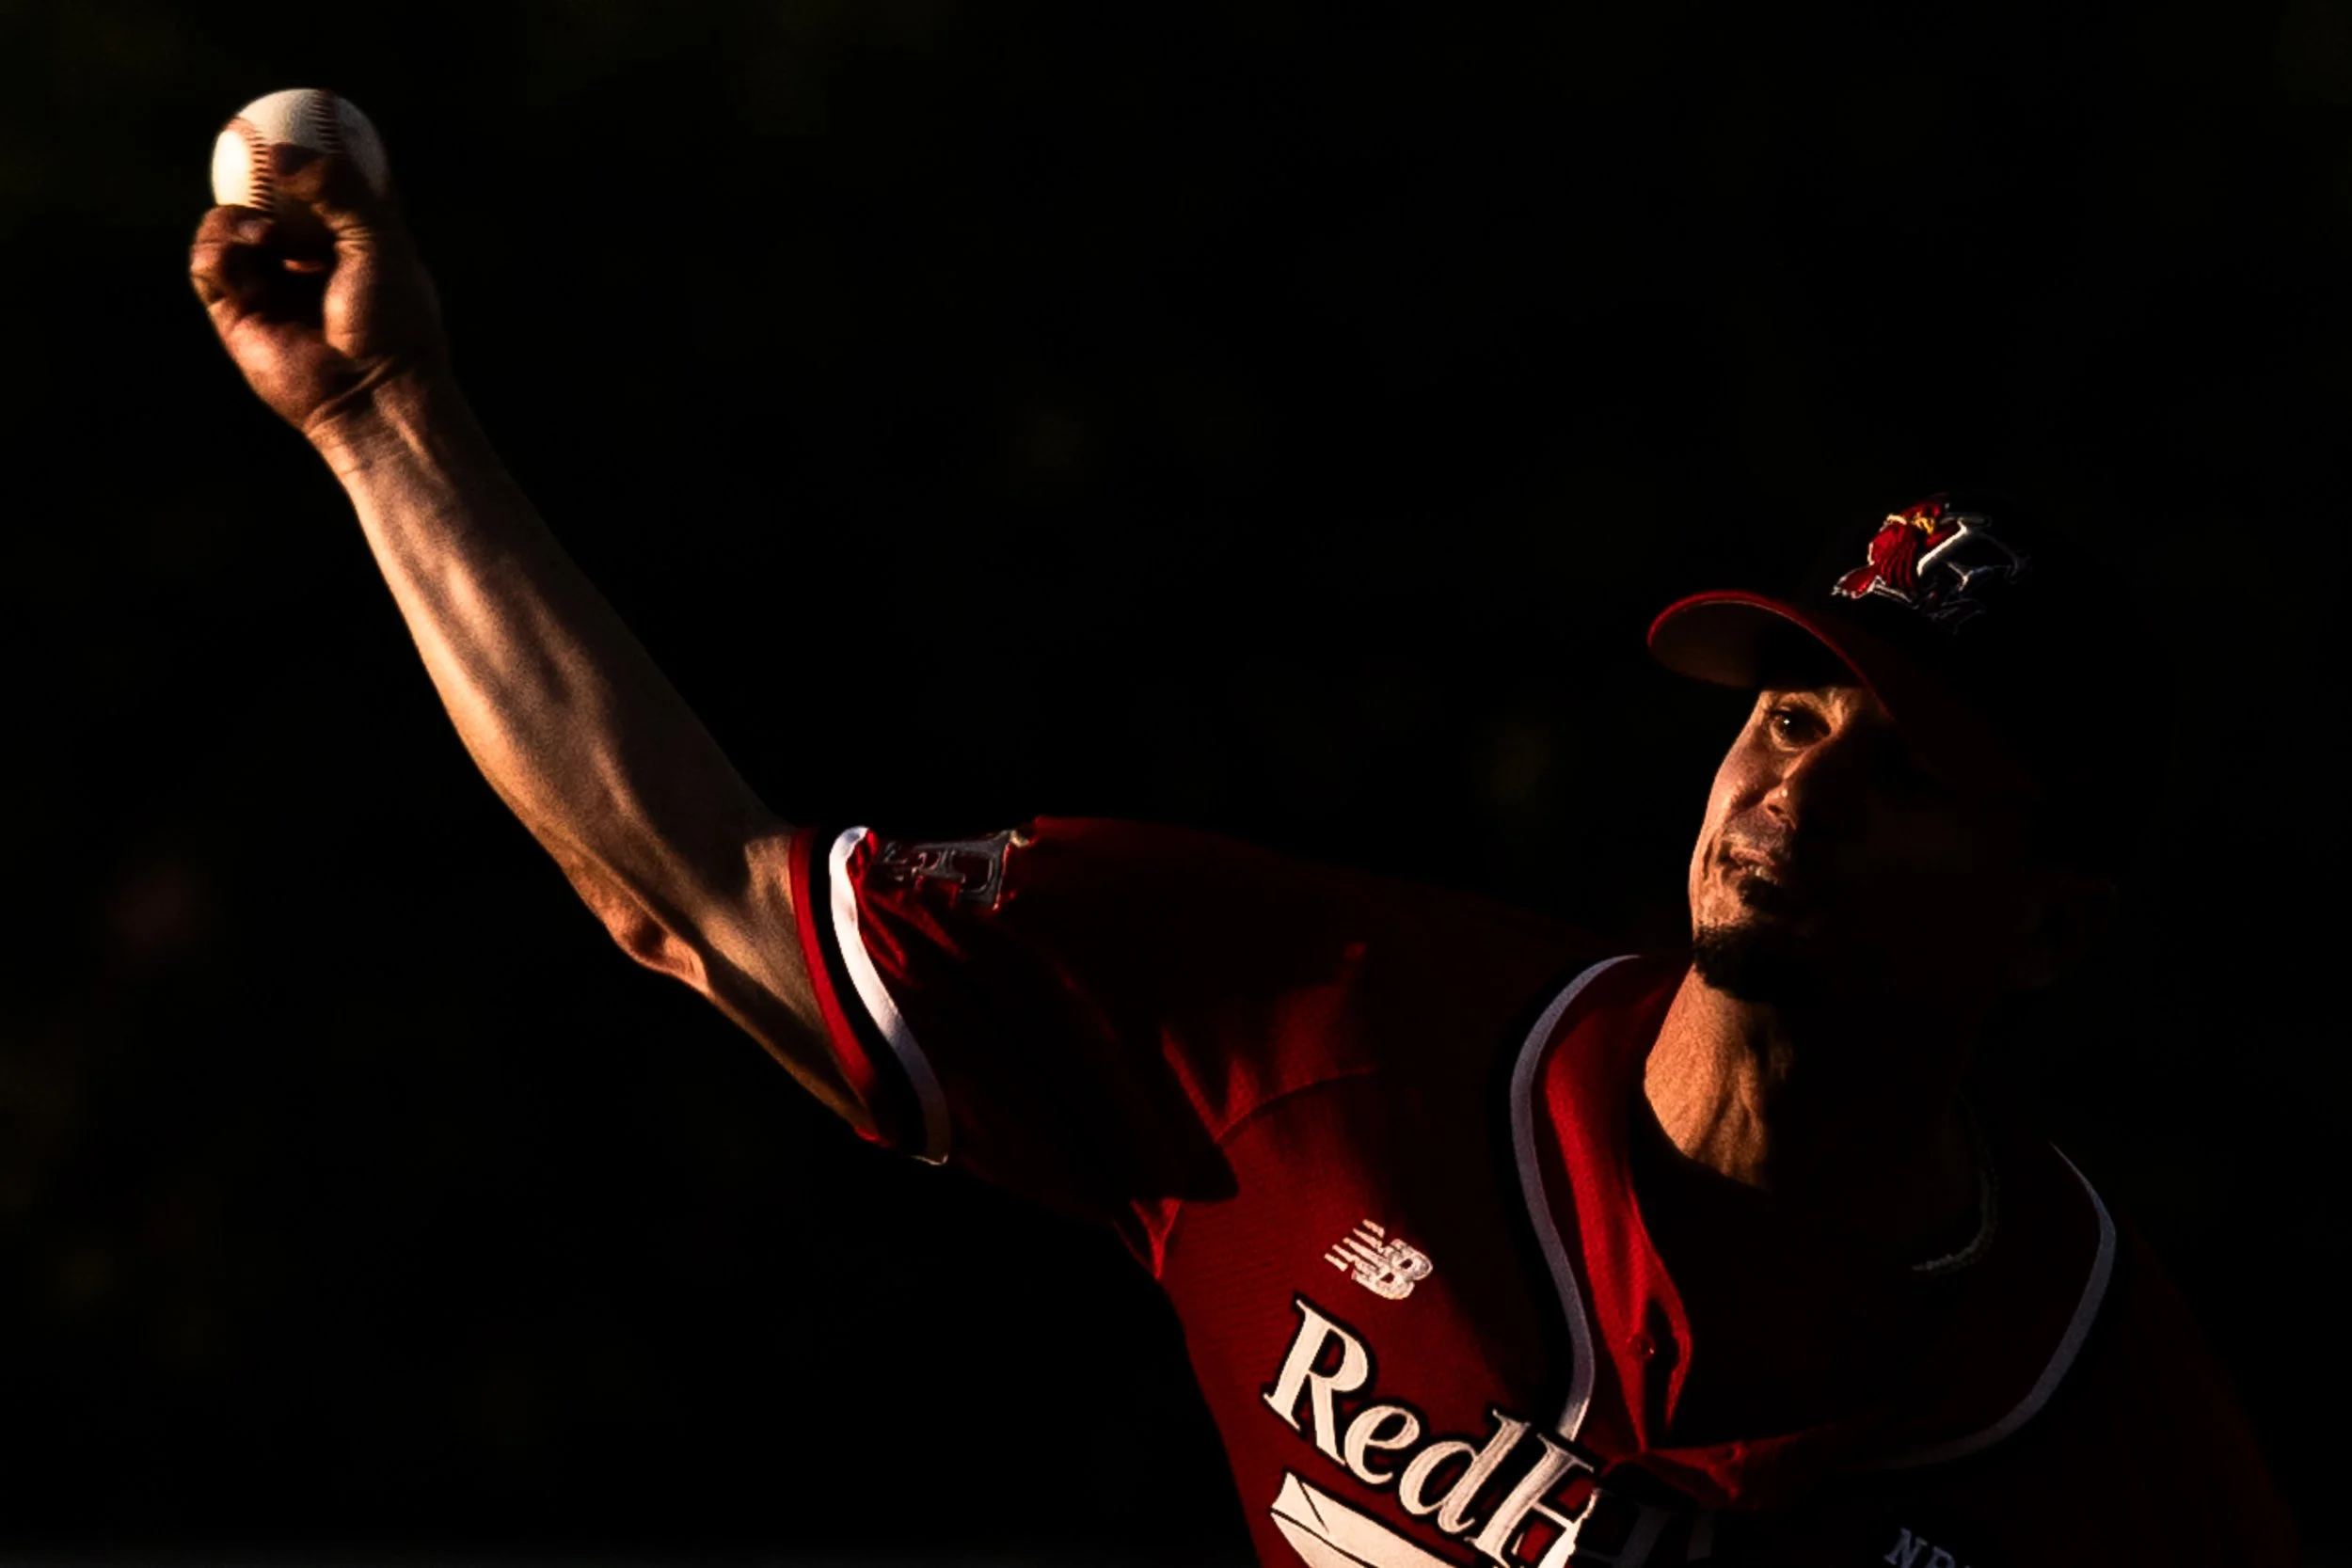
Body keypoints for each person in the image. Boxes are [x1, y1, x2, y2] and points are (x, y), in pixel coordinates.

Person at [189, 154, 2297, 1566]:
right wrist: (380, 418)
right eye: (1783, 705)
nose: (1794, 782)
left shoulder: (2101, 1406)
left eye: (1904, 763)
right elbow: (706, 894)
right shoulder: (1313, 1024)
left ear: (2054, 922)